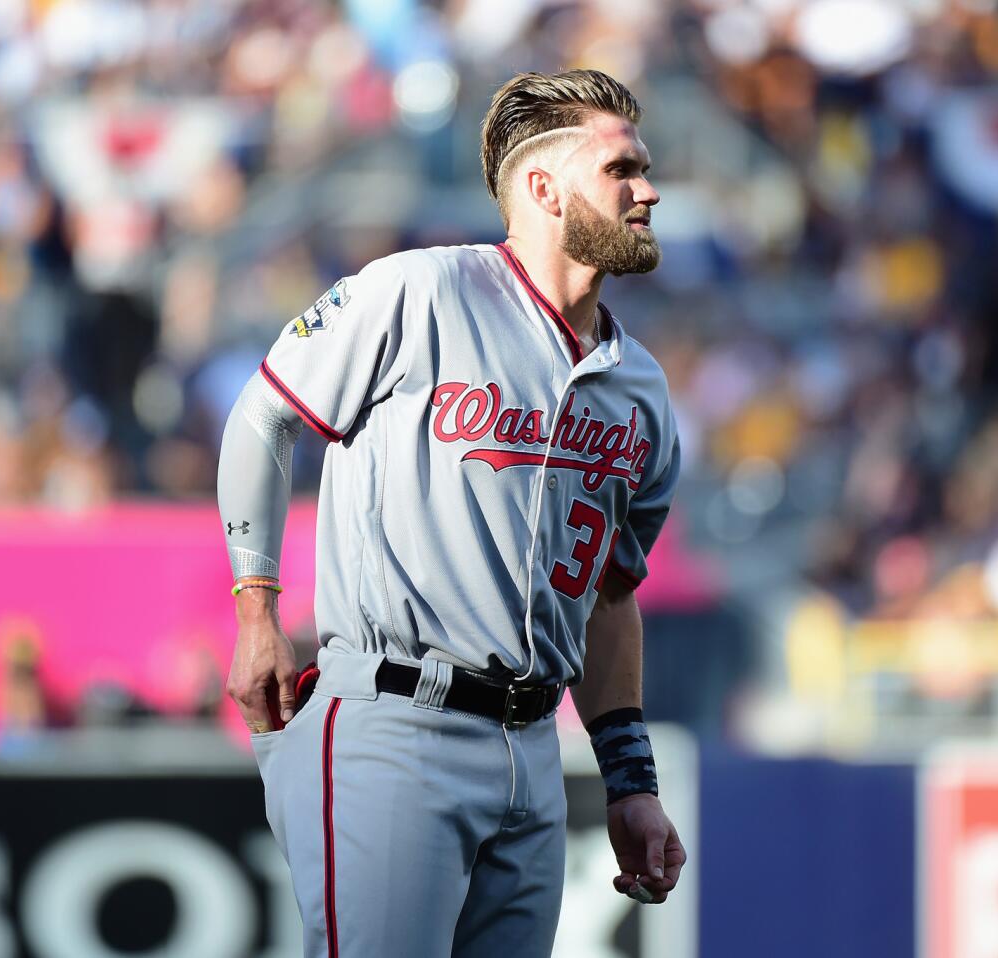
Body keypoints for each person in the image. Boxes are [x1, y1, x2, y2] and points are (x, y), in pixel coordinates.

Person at [215, 69, 685, 957]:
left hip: (535, 751)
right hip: (396, 721)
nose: (648, 190)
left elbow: (610, 597)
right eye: (622, 168)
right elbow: (264, 417)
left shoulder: (643, 390)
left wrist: (629, 781)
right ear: (543, 188)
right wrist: (257, 611)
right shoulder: (420, 291)